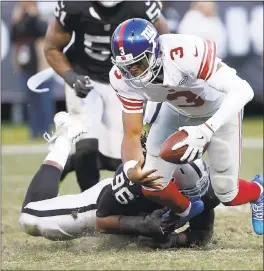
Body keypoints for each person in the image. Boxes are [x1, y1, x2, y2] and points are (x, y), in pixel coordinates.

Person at [109, 18, 263, 235]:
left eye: (139, 64)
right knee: (152, 186)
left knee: (227, 194)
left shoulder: (184, 51)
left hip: (218, 110)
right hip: (176, 111)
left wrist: (207, 130)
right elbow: (132, 134)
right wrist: (130, 167)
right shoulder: (121, 79)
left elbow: (244, 90)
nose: (134, 73)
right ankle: (186, 210)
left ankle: (259, 191)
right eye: (126, 68)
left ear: (155, 52)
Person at [19, 111, 219, 248]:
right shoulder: (139, 179)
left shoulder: (204, 187)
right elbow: (102, 217)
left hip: (128, 216)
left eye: (194, 195)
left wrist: (175, 240)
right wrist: (139, 224)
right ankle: (64, 139)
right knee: (29, 218)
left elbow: (201, 233)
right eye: (183, 194)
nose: (189, 202)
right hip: (100, 207)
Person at [43, 0, 169, 192]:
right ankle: (89, 200)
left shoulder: (140, 5)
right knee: (86, 147)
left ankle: (69, 163)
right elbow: (52, 48)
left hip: (121, 80)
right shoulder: (74, 5)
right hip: (84, 76)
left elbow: (163, 42)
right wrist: (71, 77)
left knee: (120, 157)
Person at [10, 0, 55, 138]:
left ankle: (46, 130)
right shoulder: (19, 16)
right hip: (26, 65)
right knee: (31, 100)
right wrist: (15, 21)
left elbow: (43, 31)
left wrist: (35, 15)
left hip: (41, 64)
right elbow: (14, 37)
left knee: (44, 99)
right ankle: (34, 131)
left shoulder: (39, 15)